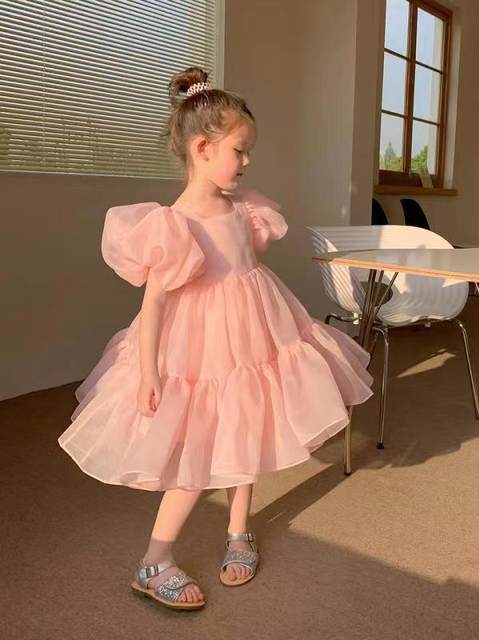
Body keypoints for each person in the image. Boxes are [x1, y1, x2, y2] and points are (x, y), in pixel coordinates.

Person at [58, 66, 373, 610]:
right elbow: (155, 303)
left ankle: (238, 531)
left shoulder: (242, 207)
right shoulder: (173, 224)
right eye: (239, 151)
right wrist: (151, 371)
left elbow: (247, 262)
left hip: (254, 332)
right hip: (196, 347)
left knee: (245, 428)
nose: (247, 161)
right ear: (202, 148)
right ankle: (154, 560)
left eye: (248, 151)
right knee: (197, 454)